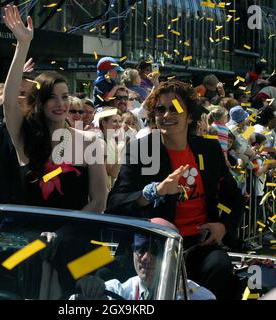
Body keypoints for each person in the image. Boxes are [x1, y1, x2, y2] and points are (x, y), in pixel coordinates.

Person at [105, 80, 245, 299]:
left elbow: (235, 197)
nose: (167, 114)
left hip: (199, 246)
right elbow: (115, 203)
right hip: (154, 246)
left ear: (189, 116)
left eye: (175, 108)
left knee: (220, 268)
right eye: (160, 109)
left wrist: (223, 227)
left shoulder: (208, 149)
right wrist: (154, 191)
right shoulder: (142, 150)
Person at [2, 5, 107, 211]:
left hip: (73, 239)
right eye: (51, 97)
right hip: (30, 239)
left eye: (65, 96)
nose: (60, 104)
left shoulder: (90, 142)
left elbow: (99, 201)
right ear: (39, 102)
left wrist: (63, 235)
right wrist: (23, 45)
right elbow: (9, 103)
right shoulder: (25, 136)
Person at [73, 218, 216, 300]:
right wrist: (87, 292)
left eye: (155, 250)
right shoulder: (119, 290)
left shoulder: (199, 297)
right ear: (133, 252)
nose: (146, 257)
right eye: (140, 249)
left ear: (174, 256)